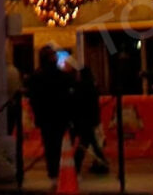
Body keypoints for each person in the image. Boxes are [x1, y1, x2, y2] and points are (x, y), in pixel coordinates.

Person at [31, 51, 71, 185]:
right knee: (57, 144)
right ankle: (56, 170)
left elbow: (34, 99)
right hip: (59, 115)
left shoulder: (38, 76)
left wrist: (37, 115)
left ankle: (52, 171)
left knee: (49, 145)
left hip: (45, 116)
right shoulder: (61, 76)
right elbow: (67, 96)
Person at [71, 64, 108, 173]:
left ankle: (76, 165)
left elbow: (77, 103)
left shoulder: (80, 87)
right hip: (91, 119)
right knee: (91, 142)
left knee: (85, 143)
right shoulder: (92, 86)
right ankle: (102, 162)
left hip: (83, 119)